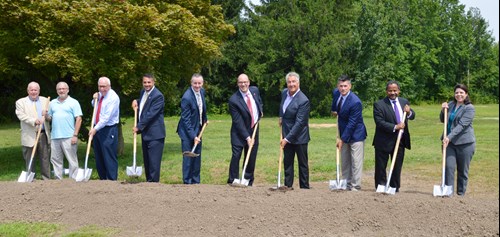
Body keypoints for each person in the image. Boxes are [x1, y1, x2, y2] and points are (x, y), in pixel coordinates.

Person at [372, 80, 415, 192]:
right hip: (383, 140)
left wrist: (409, 112)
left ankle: (394, 187)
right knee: (381, 166)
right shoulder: (379, 104)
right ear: (386, 91)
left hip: (400, 140)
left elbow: (412, 115)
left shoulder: (404, 102)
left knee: (397, 166)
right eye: (390, 90)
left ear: (398, 91)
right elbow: (379, 122)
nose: (392, 93)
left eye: (395, 90)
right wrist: (396, 126)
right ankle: (381, 186)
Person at [331, 75, 367, 191]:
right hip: (343, 132)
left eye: (345, 86)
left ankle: (355, 186)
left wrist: (342, 139)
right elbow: (335, 105)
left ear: (350, 86)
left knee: (356, 161)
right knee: (345, 160)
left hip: (356, 134)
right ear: (338, 86)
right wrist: (334, 110)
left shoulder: (355, 102)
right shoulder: (337, 93)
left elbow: (352, 124)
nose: (343, 88)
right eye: (341, 86)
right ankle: (345, 183)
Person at [227, 74, 264, 186]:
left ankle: (247, 180)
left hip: (254, 129)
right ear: (237, 84)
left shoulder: (254, 90)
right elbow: (238, 121)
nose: (243, 84)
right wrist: (247, 137)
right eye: (240, 82)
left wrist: (260, 110)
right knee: (236, 155)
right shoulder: (234, 100)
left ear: (249, 82)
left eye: (245, 82)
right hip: (239, 132)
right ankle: (233, 180)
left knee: (251, 156)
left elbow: (259, 102)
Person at [440, 84, 476, 196]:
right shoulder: (450, 105)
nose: (459, 95)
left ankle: (460, 195)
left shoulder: (469, 108)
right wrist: (442, 110)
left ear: (466, 94)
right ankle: (448, 193)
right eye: (456, 93)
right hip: (449, 143)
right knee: (449, 168)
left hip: (465, 144)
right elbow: (442, 120)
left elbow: (461, 125)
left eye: (461, 92)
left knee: (462, 171)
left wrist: (449, 137)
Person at [132, 74, 166, 182]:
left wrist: (138, 127)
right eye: (145, 82)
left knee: (154, 163)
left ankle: (154, 184)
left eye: (149, 82)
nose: (147, 84)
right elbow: (144, 103)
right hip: (146, 133)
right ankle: (148, 184)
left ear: (153, 82)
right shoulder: (143, 92)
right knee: (147, 161)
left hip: (155, 134)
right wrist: (136, 101)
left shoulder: (158, 96)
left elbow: (151, 114)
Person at [279, 72, 310, 189]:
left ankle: (304, 188)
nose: (291, 84)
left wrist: (286, 139)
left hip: (299, 137)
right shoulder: (284, 93)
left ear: (298, 83)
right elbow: (282, 107)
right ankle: (287, 186)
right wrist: (281, 116)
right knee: (287, 163)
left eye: (294, 82)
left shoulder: (303, 100)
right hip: (286, 133)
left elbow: (300, 123)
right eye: (289, 82)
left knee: (302, 164)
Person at [15, 82, 52, 180]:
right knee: (29, 158)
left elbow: (51, 117)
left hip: (43, 134)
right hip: (29, 134)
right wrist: (34, 120)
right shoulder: (20, 102)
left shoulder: (46, 101)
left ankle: (46, 179)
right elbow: (21, 116)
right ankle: (31, 179)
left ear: (39, 91)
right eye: (31, 90)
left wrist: (47, 116)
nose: (33, 92)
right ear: (28, 91)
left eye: (35, 90)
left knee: (45, 158)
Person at [47, 82, 83, 180]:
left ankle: (73, 179)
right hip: (55, 136)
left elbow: (79, 119)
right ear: (57, 90)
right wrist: (46, 115)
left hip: (69, 136)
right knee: (55, 160)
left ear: (68, 90)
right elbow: (49, 118)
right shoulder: (52, 103)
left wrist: (75, 135)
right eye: (59, 89)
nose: (61, 91)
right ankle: (58, 180)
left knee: (72, 160)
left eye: (63, 89)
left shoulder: (74, 102)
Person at [177, 73, 207, 184]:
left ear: (202, 83)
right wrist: (193, 136)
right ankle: (187, 182)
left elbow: (202, 108)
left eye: (199, 83)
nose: (197, 86)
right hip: (186, 132)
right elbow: (186, 120)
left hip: (198, 129)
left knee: (197, 157)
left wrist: (205, 119)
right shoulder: (187, 97)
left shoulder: (201, 92)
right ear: (191, 83)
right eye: (195, 83)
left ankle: (196, 181)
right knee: (188, 157)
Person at [89, 77, 120, 180]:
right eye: (100, 86)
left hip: (108, 129)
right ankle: (102, 180)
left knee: (108, 155)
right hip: (98, 128)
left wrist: (94, 129)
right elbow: (95, 106)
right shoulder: (100, 95)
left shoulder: (113, 98)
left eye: (104, 86)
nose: (102, 89)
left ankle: (111, 180)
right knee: (99, 155)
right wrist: (94, 99)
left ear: (109, 86)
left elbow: (106, 118)